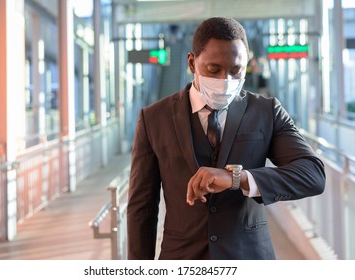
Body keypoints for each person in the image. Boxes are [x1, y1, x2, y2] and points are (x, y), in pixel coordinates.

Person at [127, 17, 325, 260]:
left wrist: (238, 178)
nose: (225, 80)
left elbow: (313, 175)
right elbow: (141, 207)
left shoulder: (266, 111)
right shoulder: (153, 118)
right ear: (192, 62)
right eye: (214, 70)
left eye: (235, 70)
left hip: (249, 257)